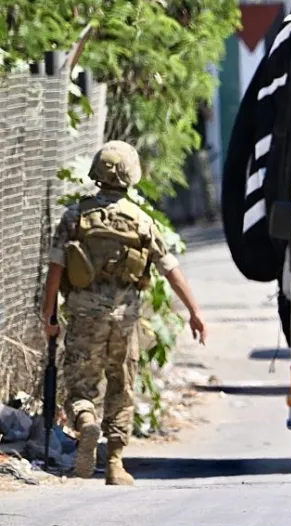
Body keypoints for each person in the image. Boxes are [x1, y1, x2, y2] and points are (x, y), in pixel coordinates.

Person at [41, 140, 207, 486]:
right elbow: (170, 269)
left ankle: (86, 423)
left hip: (85, 316)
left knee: (81, 386)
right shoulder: (142, 220)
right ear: (132, 175)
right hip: (124, 319)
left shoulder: (75, 217)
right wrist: (195, 312)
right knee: (122, 385)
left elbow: (56, 270)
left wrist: (49, 316)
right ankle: (115, 464)